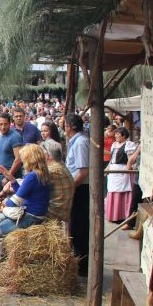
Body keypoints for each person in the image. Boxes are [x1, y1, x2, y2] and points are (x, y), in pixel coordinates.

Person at [0, 144, 50, 282]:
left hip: (29, 216)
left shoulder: (32, 176)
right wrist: (12, 179)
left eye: (24, 159)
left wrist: (4, 204)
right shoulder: (41, 174)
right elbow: (24, 193)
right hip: (30, 212)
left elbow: (15, 201)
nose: (22, 162)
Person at [64, 113, 90, 276]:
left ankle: (82, 265)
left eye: (65, 125)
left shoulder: (81, 143)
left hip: (80, 188)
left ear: (70, 127)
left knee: (78, 227)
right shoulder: (76, 142)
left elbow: (83, 171)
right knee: (74, 226)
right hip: (76, 187)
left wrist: (70, 188)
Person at [105, 127, 138, 223]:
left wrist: (128, 169)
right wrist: (107, 168)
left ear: (124, 136)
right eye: (115, 134)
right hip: (114, 171)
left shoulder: (128, 145)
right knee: (112, 191)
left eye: (118, 134)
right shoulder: (114, 145)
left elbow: (131, 160)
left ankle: (122, 216)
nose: (116, 136)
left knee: (122, 193)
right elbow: (112, 160)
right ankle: (113, 216)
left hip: (123, 171)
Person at [41, 139, 74, 222]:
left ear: (48, 155)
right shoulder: (62, 165)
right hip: (63, 212)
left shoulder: (51, 170)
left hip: (53, 214)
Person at [0, 113, 23, 189]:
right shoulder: (0, 137)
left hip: (13, 177)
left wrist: (8, 177)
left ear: (10, 124)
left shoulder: (15, 137)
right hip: (1, 176)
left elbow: (19, 159)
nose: (3, 127)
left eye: (5, 124)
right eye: (0, 124)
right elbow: (0, 156)